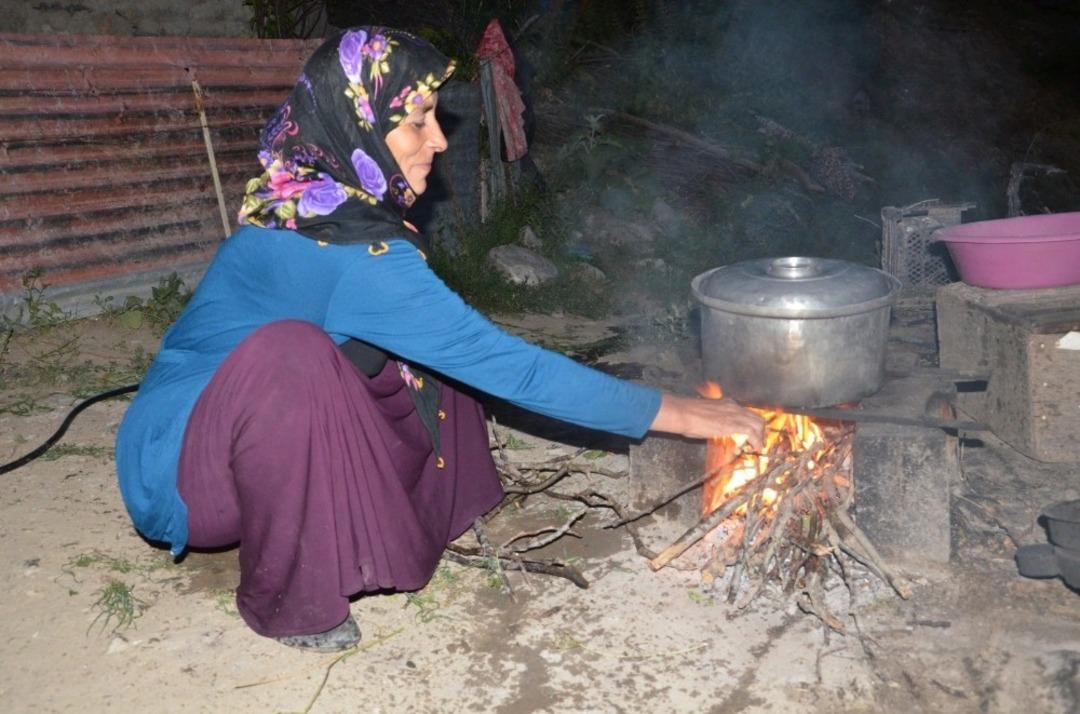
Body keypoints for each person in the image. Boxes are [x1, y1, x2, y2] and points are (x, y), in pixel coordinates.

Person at [115, 27, 765, 653]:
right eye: (417, 121)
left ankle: (435, 502)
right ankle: (290, 602)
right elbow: (515, 371)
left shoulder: (310, 193)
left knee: (425, 344)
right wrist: (683, 414)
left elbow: (448, 340)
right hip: (181, 473)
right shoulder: (342, 243)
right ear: (359, 123)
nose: (440, 141)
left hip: (234, 428)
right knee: (300, 355)